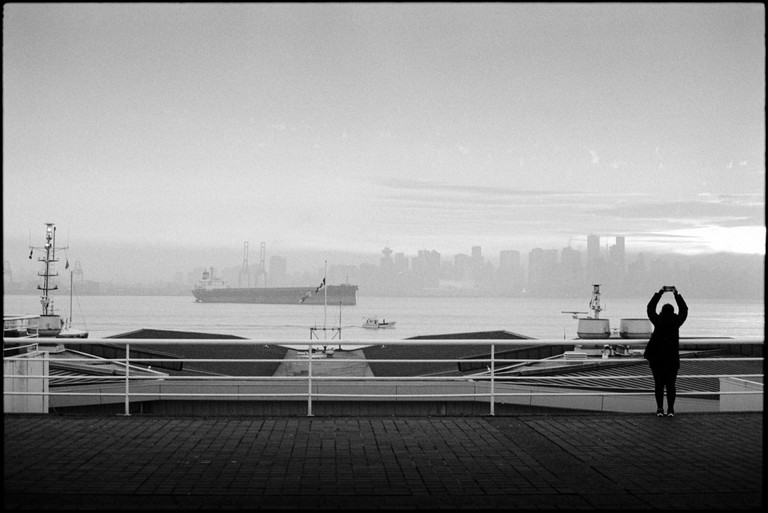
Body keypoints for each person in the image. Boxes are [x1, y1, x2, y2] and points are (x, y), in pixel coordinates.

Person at [644, 286, 688, 417]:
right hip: (672, 360)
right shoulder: (676, 322)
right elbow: (684, 310)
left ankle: (659, 409)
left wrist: (659, 293)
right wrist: (676, 294)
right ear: (673, 312)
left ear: (662, 311)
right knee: (671, 386)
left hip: (657, 359)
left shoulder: (658, 321)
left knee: (658, 385)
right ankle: (671, 409)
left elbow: (650, 308)